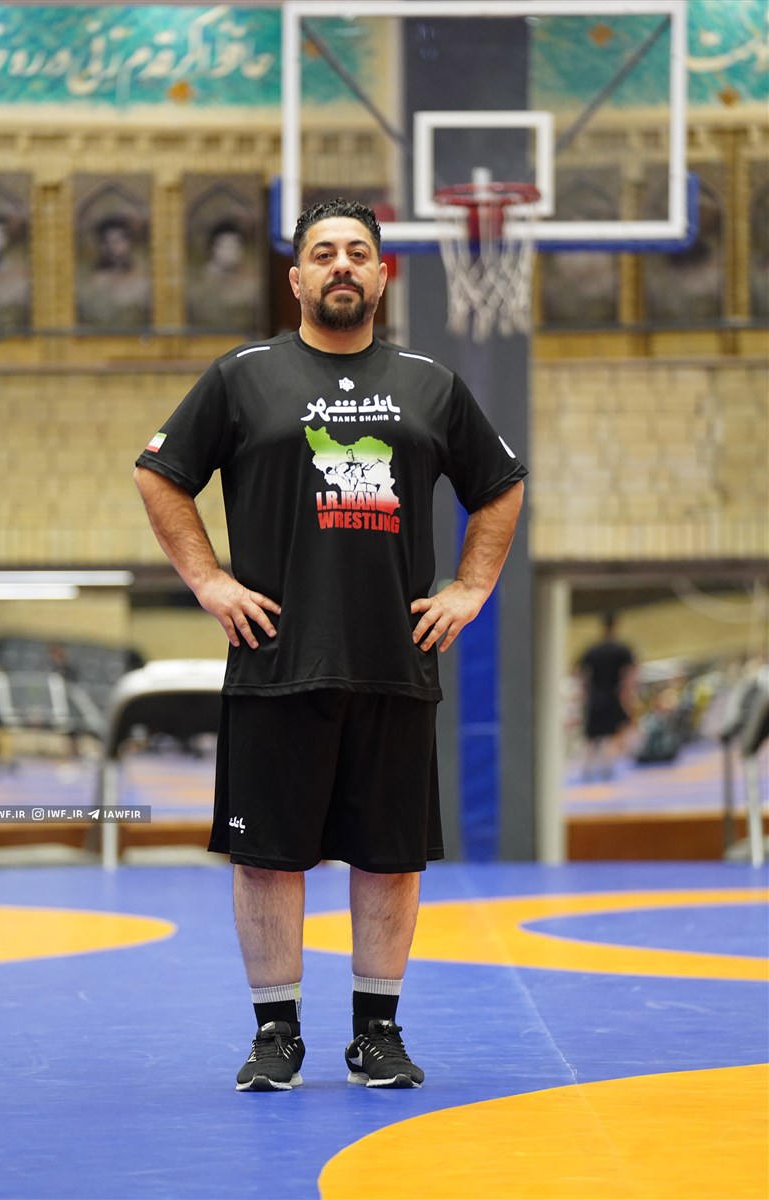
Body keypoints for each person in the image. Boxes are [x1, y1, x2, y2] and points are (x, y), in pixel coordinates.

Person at [134, 198, 526, 1091]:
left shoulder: (431, 382)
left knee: (389, 856)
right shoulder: (244, 376)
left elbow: (500, 484)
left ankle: (376, 1032)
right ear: (297, 278)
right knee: (267, 857)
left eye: (357, 252)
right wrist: (210, 581)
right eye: (323, 253)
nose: (341, 264)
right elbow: (159, 473)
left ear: (383, 275)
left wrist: (469, 589)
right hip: (275, 659)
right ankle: (276, 1032)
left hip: (394, 660)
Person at [578, 612, 637, 780]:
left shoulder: (592, 650)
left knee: (592, 735)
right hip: (612, 695)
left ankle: (587, 769)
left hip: (595, 696)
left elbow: (580, 672)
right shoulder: (622, 649)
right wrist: (627, 694)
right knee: (609, 734)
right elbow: (631, 672)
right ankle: (605, 768)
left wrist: (585, 693)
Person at [77, 214, 151, 329]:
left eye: (117, 241)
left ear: (128, 243)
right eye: (106, 242)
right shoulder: (92, 280)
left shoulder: (143, 279)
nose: (112, 248)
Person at [186, 218, 259, 332]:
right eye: (227, 247)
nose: (232, 253)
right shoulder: (197, 283)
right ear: (213, 248)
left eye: (236, 247)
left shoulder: (249, 282)